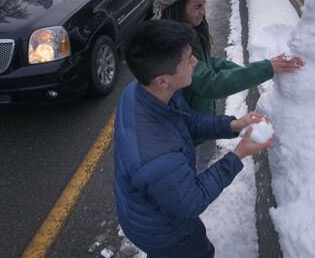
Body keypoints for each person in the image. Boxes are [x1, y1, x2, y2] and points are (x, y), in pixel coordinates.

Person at [114, 19, 272, 258]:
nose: (196, 63)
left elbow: (187, 121)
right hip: (166, 232)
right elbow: (193, 200)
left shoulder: (141, 93)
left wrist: (232, 125)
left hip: (147, 211)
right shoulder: (157, 156)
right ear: (162, 79)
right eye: (188, 60)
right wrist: (239, 154)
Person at [156, 0, 304, 117]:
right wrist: (266, 68)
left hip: (201, 123)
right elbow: (210, 84)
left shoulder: (188, 30)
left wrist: (243, 70)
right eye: (197, 7)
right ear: (176, 8)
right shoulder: (170, 46)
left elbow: (208, 62)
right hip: (188, 133)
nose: (203, 10)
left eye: (204, 3)